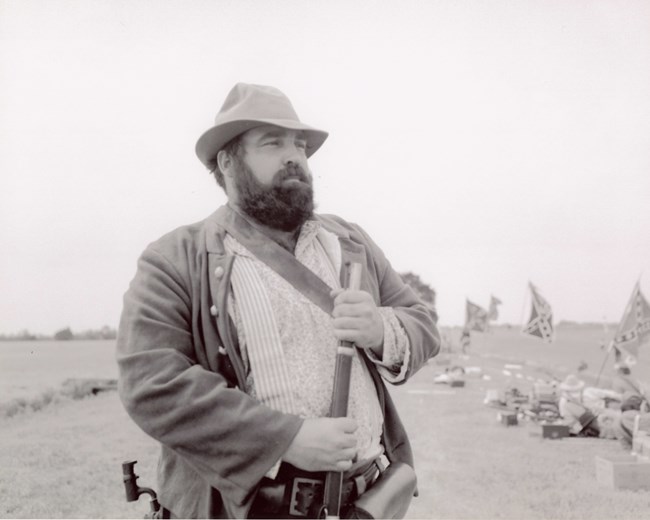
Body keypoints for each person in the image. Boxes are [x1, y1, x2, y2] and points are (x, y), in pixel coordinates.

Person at [116, 83, 440, 519]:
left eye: (300, 145)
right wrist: (285, 438)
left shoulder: (349, 241)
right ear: (227, 162)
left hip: (366, 501)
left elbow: (422, 323)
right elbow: (153, 384)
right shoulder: (173, 259)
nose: (295, 157)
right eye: (273, 143)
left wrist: (381, 329)